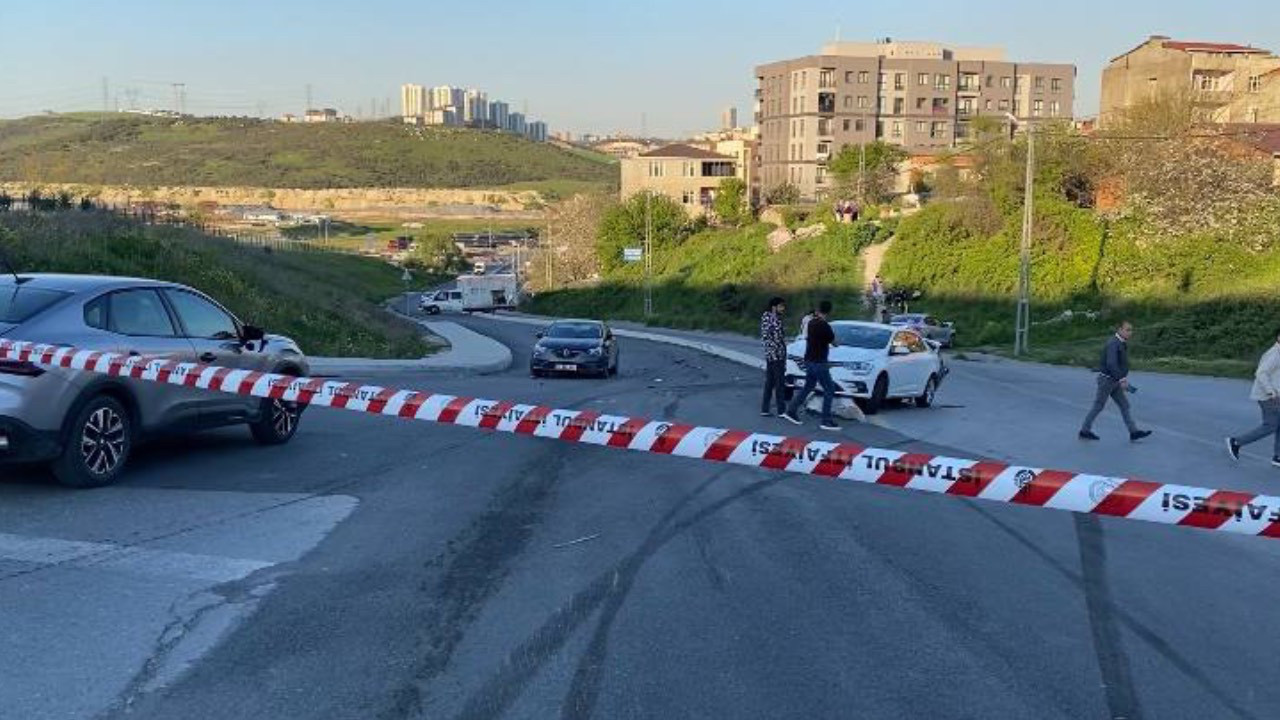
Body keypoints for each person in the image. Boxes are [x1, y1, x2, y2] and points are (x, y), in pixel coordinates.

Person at [1079, 321, 1152, 442]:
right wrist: (1122, 379)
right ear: (1119, 330)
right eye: (1127, 330)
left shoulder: (1120, 342)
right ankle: (1084, 431)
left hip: (1114, 380)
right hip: (1107, 380)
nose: (1130, 332)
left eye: (1131, 330)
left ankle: (1134, 432)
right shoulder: (1113, 343)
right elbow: (1111, 364)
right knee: (1098, 405)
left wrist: (1121, 378)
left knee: (1124, 405)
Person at [782, 300, 840, 431]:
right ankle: (826, 420)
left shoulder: (811, 323)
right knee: (829, 388)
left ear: (819, 309)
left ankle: (791, 410)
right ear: (829, 311)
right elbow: (835, 343)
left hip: (809, 360)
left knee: (809, 386)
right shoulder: (825, 326)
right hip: (820, 362)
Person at [1226, 328, 1280, 466]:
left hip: (1275, 394)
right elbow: (1261, 373)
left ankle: (1278, 457)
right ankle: (1236, 442)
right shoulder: (1275, 353)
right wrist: (1271, 392)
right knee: (1271, 425)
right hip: (1269, 396)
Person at [759, 297, 788, 417]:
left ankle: (765, 409)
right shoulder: (774, 319)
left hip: (769, 354)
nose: (783, 308)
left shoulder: (765, 317)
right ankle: (781, 410)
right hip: (777, 354)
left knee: (770, 382)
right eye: (781, 306)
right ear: (774, 307)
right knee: (779, 383)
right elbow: (777, 337)